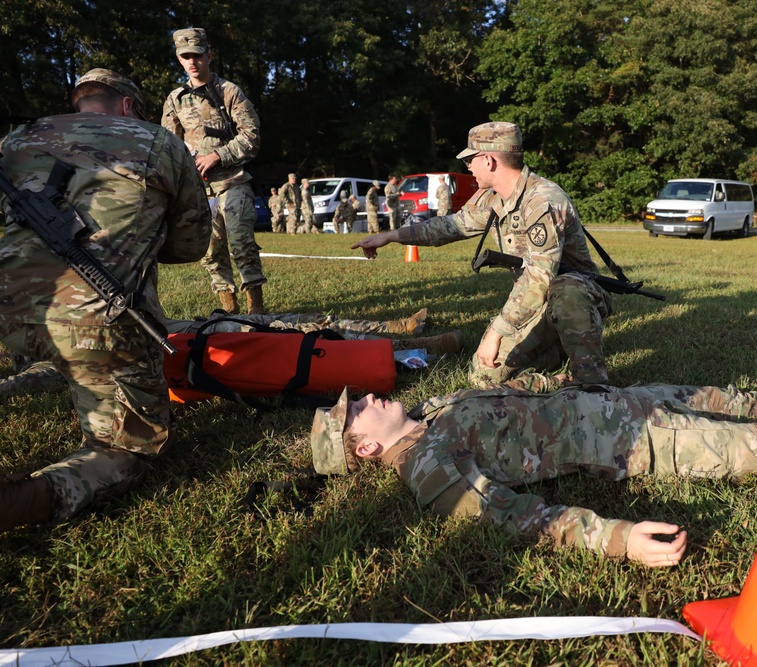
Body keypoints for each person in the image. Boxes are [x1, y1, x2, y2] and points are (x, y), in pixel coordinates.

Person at [312, 349, 757, 567]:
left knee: (725, 396)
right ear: (364, 446)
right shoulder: (426, 467)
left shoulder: (427, 418)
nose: (370, 393)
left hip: (614, 401)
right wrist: (615, 537)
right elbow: (504, 514)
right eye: (358, 409)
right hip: (634, 443)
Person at [0, 68, 212, 534]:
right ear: (126, 105)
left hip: (8, 310)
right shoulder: (159, 142)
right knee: (131, 448)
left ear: (79, 101)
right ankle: (21, 500)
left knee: (51, 354)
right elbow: (191, 245)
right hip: (97, 323)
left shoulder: (17, 141)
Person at [353, 122, 611, 392]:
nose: (468, 167)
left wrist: (497, 330)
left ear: (488, 160)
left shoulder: (542, 200)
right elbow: (449, 227)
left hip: (576, 298)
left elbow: (539, 277)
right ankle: (558, 356)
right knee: (483, 377)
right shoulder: (493, 198)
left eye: (470, 159)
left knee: (566, 288)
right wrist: (392, 236)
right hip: (538, 305)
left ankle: (589, 380)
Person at [2, 308, 464, 400]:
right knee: (296, 338)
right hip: (152, 348)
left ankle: (401, 337)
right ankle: (405, 343)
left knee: (292, 329)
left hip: (165, 333)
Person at [161, 27, 266, 315]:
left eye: (197, 55)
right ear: (179, 60)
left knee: (241, 243)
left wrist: (217, 156)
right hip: (198, 189)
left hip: (232, 181)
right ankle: (228, 311)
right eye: (185, 57)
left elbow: (252, 136)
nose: (192, 62)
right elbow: (167, 146)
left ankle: (256, 310)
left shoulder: (228, 91)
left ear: (209, 55)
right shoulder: (175, 99)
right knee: (210, 252)